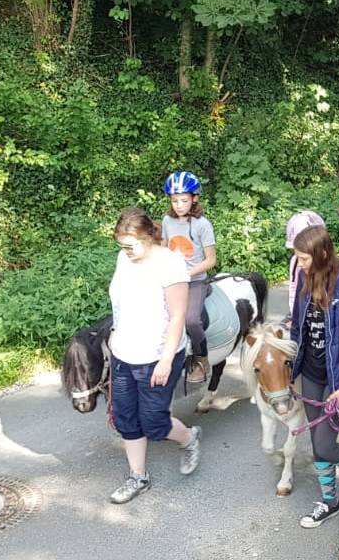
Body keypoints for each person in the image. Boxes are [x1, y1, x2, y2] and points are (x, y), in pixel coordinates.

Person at [105, 207, 201, 504]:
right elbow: (121, 301)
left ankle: (189, 439)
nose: (126, 251)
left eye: (131, 245)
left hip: (157, 356)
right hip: (124, 352)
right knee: (125, 418)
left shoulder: (171, 265)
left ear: (148, 237)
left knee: (155, 422)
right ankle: (138, 477)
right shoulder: (125, 258)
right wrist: (114, 334)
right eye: (122, 245)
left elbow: (177, 316)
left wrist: (166, 359)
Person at [288, 225, 339, 528]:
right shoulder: (303, 276)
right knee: (316, 441)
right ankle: (329, 502)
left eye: (304, 258)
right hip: (311, 370)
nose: (300, 264)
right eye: (298, 258)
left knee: (324, 445)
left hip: (338, 379)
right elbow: (299, 325)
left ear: (321, 254)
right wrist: (290, 367)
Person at [161, 171, 219, 384]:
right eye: (174, 200)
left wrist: (186, 273)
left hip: (195, 280)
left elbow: (210, 259)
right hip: (171, 279)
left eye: (184, 200)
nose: (178, 205)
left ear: (194, 199)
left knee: (192, 320)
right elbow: (163, 246)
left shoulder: (203, 224)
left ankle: (201, 357)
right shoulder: (167, 220)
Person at [284, 210, 326, 317]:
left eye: (304, 257)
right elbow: (293, 288)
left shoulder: (330, 267)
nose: (300, 263)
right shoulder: (295, 262)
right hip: (304, 311)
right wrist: (294, 312)